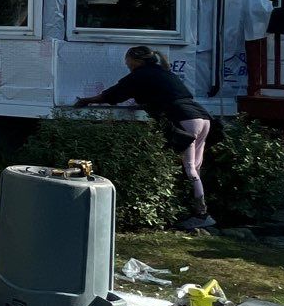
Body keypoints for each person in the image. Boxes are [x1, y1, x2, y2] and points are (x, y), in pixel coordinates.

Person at [75, 47, 217, 229]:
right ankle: (193, 208)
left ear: (136, 60)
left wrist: (86, 100)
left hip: (185, 119)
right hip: (202, 118)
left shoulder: (140, 75)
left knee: (190, 169)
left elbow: (112, 94)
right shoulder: (163, 73)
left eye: (127, 61)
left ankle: (201, 214)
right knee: (195, 167)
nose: (126, 64)